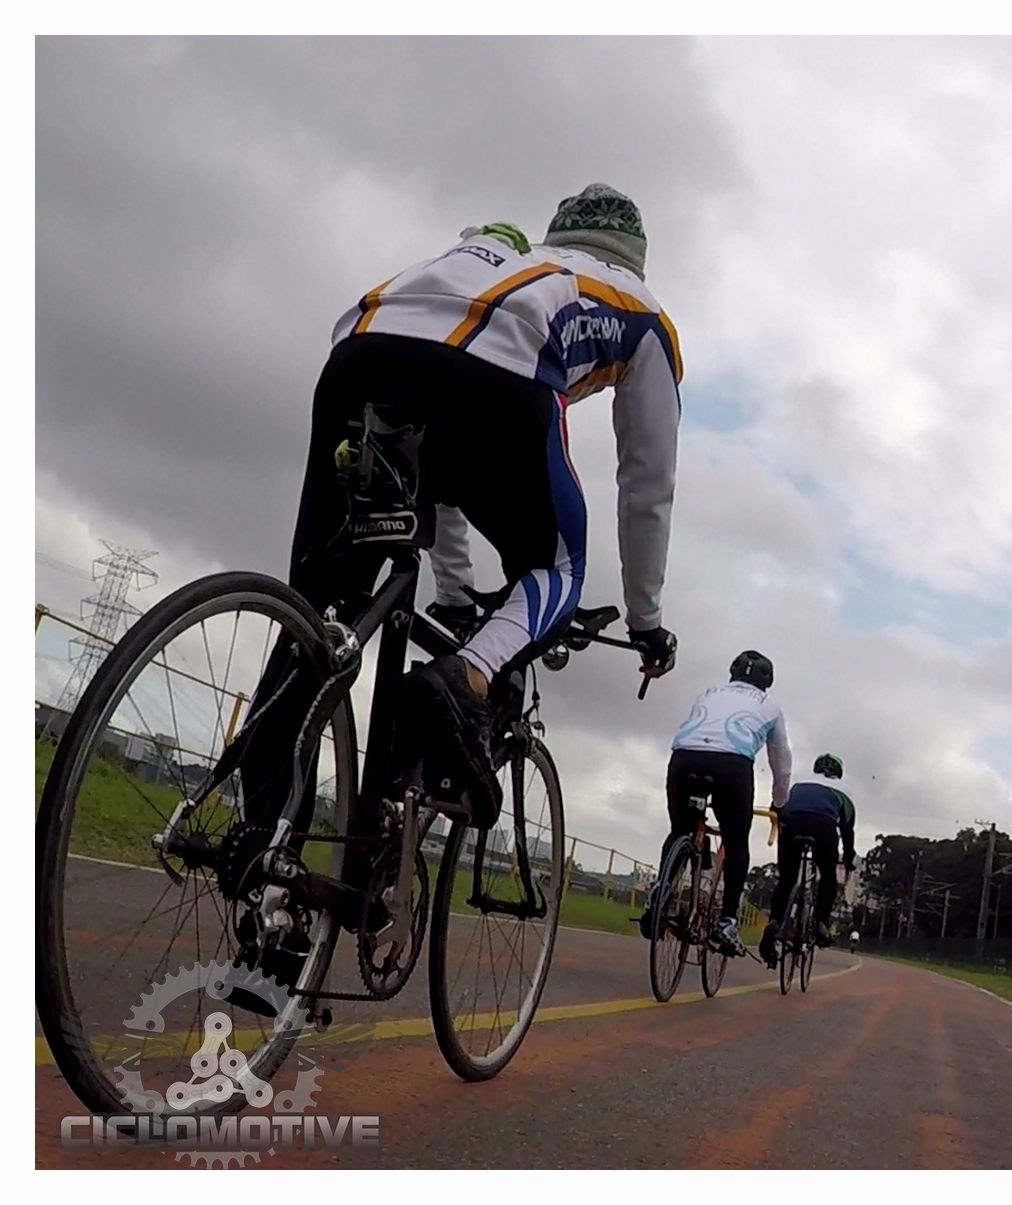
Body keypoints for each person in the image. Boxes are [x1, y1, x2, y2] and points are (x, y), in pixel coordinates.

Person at [231, 185, 682, 1001]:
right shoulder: (641, 312)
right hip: (493, 376)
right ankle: (463, 678)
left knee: (317, 623)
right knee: (557, 570)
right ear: (635, 260)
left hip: (360, 348)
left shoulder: (503, 262)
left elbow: (433, 487)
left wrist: (456, 591)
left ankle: (257, 868)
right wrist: (646, 621)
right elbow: (646, 485)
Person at [653, 651, 792, 957]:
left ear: (732, 673)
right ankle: (727, 921)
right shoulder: (770, 706)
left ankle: (659, 896)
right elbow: (781, 761)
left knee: (679, 830)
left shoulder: (707, 693)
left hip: (684, 756)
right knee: (736, 842)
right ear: (767, 682)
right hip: (732, 764)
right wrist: (779, 803)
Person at [759, 753, 857, 965]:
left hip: (792, 821)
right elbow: (847, 831)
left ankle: (774, 921)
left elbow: (777, 806)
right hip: (824, 825)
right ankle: (821, 922)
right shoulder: (845, 791)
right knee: (828, 875)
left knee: (787, 879)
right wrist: (849, 860)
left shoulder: (799, 782)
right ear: (838, 774)